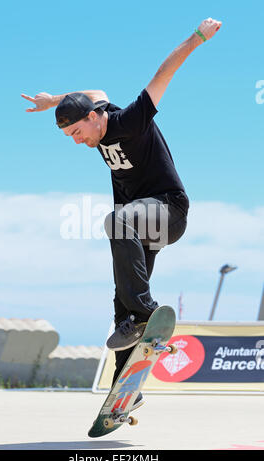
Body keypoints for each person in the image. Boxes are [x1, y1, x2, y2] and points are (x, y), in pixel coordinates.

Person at [22, 18, 222, 409]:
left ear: (95, 117)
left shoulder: (132, 119)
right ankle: (123, 389)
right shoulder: (95, 106)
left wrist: (196, 38)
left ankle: (146, 313)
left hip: (169, 211)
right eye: (71, 138)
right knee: (121, 300)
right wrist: (55, 103)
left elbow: (164, 73)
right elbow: (91, 90)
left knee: (118, 223)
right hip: (142, 222)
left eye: (78, 132)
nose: (78, 142)